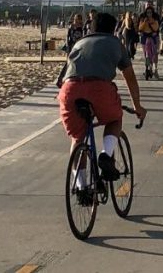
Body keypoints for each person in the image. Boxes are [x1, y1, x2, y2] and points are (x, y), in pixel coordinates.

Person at [55, 12, 146, 199]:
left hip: (69, 91)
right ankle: (106, 154)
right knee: (114, 119)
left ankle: (81, 188)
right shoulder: (116, 44)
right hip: (99, 88)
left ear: (92, 27)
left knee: (78, 138)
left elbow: (62, 77)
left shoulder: (79, 43)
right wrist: (137, 106)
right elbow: (130, 78)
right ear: (113, 29)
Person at [137, 5, 161, 78]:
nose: (149, 14)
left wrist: (151, 22)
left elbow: (156, 28)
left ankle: (155, 69)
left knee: (155, 53)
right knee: (146, 54)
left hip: (153, 36)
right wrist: (144, 22)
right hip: (145, 37)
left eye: (150, 12)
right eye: (147, 12)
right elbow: (140, 28)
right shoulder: (143, 18)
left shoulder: (155, 19)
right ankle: (147, 68)